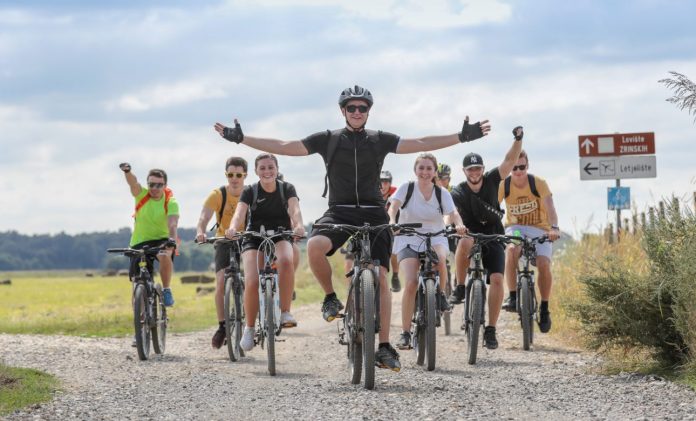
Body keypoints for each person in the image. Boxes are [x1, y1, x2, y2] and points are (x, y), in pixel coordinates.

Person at [214, 84, 490, 371]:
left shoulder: (379, 139)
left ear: (369, 111)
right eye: (351, 108)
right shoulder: (328, 139)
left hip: (374, 212)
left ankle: (383, 345)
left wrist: (460, 137)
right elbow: (284, 147)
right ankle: (331, 299)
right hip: (340, 211)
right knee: (315, 246)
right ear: (343, 111)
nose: (357, 112)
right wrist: (243, 139)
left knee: (382, 278)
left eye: (362, 108)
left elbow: (420, 143)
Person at [449, 126, 524, 350]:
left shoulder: (492, 179)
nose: (475, 172)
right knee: (464, 242)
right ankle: (461, 286)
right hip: (469, 231)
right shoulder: (458, 191)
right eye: (470, 169)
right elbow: (452, 214)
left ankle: (490, 329)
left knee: (498, 280)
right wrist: (457, 226)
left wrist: (518, 139)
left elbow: (510, 160)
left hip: (493, 232)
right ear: (464, 171)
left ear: (482, 169)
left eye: (478, 168)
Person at [226, 153, 305, 352]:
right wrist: (233, 228)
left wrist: (299, 225)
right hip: (254, 236)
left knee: (286, 260)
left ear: (277, 169)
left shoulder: (287, 188)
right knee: (252, 280)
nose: (267, 171)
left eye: (271, 167)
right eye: (262, 168)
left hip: (280, 234)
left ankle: (285, 311)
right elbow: (239, 213)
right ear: (255, 171)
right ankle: (250, 329)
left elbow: (294, 210)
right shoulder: (250, 191)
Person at [387, 153, 467, 350]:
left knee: (440, 259)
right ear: (415, 170)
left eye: (429, 168)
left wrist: (459, 224)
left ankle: (440, 295)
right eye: (421, 168)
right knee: (412, 282)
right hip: (408, 236)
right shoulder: (407, 188)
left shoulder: (442, 193)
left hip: (435, 235)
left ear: (434, 171)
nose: (425, 172)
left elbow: (453, 213)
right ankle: (405, 333)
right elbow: (393, 207)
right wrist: (392, 221)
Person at [498, 150, 560, 333]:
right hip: (515, 227)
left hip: (540, 228)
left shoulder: (538, 183)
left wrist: (554, 227)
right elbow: (494, 206)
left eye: (522, 167)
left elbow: (550, 206)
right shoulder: (504, 184)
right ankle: (513, 296)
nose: (518, 171)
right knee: (511, 250)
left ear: (528, 166)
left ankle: (545, 308)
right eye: (514, 168)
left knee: (543, 263)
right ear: (510, 168)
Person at [195, 156, 248, 349]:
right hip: (223, 239)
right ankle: (222, 325)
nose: (234, 178)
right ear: (226, 175)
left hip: (247, 238)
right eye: (230, 174)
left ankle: (252, 321)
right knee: (220, 282)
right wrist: (200, 231)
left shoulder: (250, 193)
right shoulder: (217, 194)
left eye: (238, 174)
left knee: (253, 278)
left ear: (245, 175)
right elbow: (204, 217)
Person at [119, 163, 178, 307]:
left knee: (164, 255)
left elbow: (172, 223)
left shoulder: (170, 201)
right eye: (151, 184)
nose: (155, 188)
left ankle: (166, 289)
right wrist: (127, 171)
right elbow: (133, 183)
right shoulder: (142, 195)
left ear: (165, 185)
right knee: (137, 281)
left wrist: (171, 240)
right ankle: (141, 315)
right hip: (139, 242)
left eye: (159, 185)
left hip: (162, 240)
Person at [380, 170, 402, 292]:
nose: (383, 185)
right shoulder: (371, 194)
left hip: (392, 227)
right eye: (380, 182)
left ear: (390, 183)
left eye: (386, 182)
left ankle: (395, 275)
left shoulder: (396, 196)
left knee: (394, 247)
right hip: (377, 228)